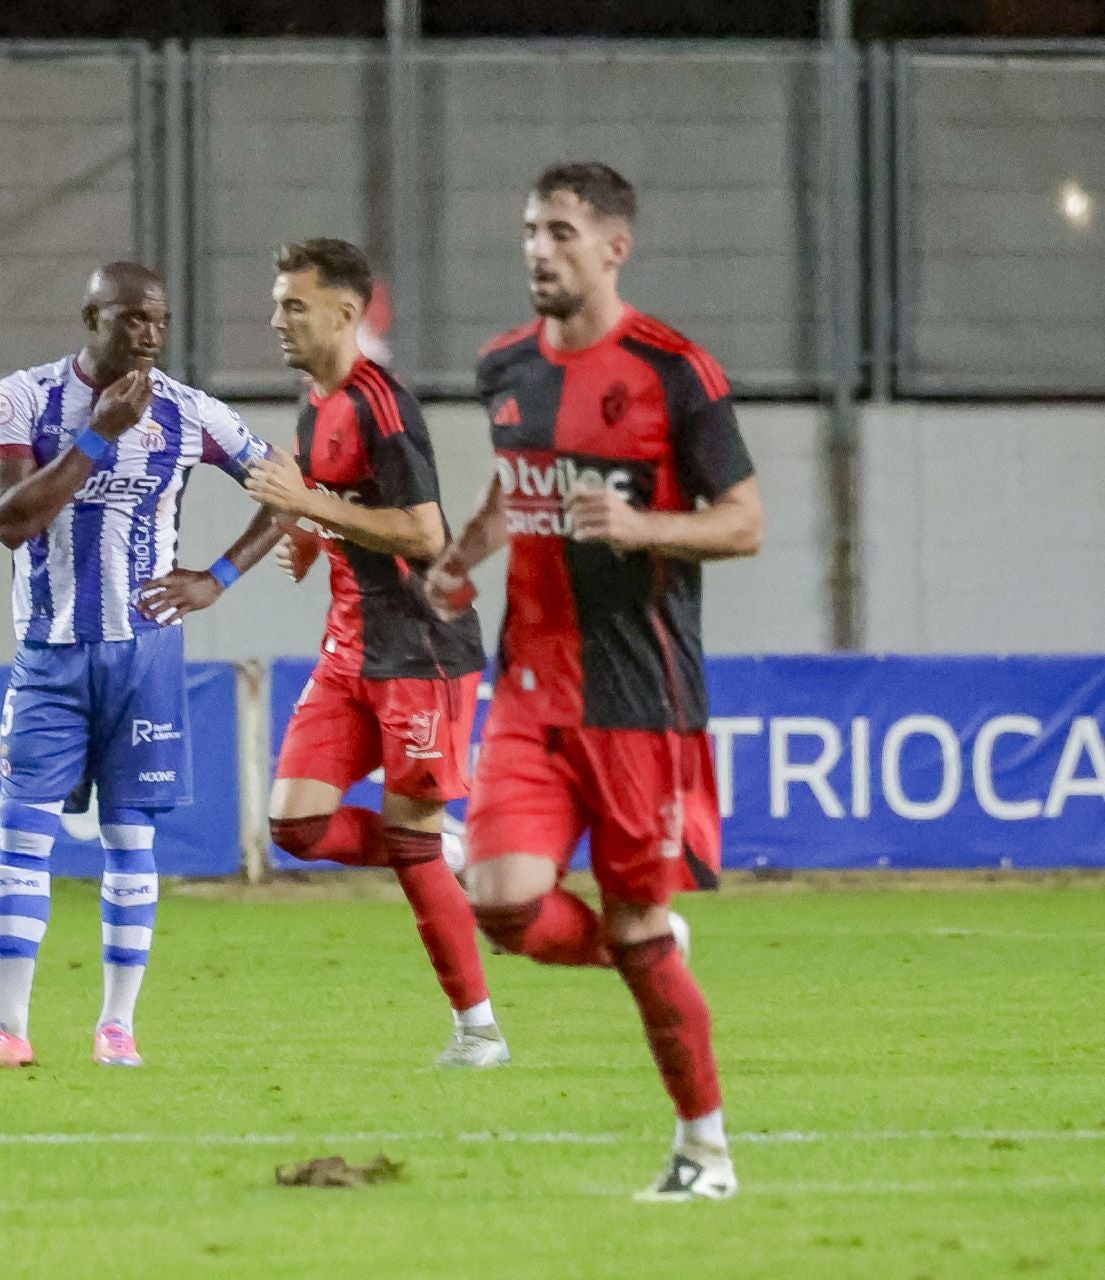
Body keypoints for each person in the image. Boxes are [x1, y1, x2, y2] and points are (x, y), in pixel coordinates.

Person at [426, 162, 764, 1199]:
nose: (540, 249)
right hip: (530, 685)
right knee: (501, 898)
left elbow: (744, 520)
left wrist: (643, 525)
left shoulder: (676, 372)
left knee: (630, 925)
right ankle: (648, 946)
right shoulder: (504, 368)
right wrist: (464, 554)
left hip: (638, 699)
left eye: (562, 232)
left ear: (615, 247)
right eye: (530, 230)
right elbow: (511, 479)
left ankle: (703, 1149)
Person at [0, 262, 282, 1070]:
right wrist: (98, 438)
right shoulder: (25, 398)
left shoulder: (191, 412)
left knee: (130, 840)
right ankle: (6, 1028)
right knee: (21, 835)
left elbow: (286, 489)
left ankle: (117, 1027)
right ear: (91, 318)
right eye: (132, 320)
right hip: (50, 655)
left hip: (145, 658)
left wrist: (217, 577)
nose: (150, 335)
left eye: (159, 320)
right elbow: (9, 521)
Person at [223, 238, 507, 1069]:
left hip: (422, 645)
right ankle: (446, 848)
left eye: (293, 306)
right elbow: (348, 507)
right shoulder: (316, 399)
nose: (277, 319)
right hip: (350, 646)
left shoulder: (384, 405)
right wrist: (313, 535)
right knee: (297, 827)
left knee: (410, 844)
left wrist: (308, 503)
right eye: (278, 303)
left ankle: (479, 1032)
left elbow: (424, 532)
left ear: (346, 313)